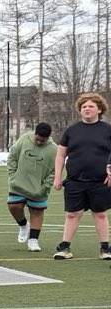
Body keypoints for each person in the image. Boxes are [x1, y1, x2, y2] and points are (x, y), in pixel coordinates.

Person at [52, 93, 111, 260]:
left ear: (99, 110)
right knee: (72, 214)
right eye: (84, 106)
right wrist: (57, 177)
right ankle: (64, 247)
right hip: (75, 181)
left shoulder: (107, 130)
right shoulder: (72, 130)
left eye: (91, 106)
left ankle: (105, 248)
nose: (87, 109)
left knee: (99, 214)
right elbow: (60, 155)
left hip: (101, 181)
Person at [7, 123, 56, 253]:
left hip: (38, 189)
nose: (39, 142)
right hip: (18, 184)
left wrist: (45, 186)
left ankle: (33, 240)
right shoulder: (24, 139)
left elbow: (55, 170)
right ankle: (23, 225)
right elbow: (12, 156)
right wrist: (13, 175)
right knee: (14, 206)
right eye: (37, 139)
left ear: (48, 138)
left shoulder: (53, 149)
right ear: (35, 133)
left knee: (37, 212)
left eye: (42, 140)